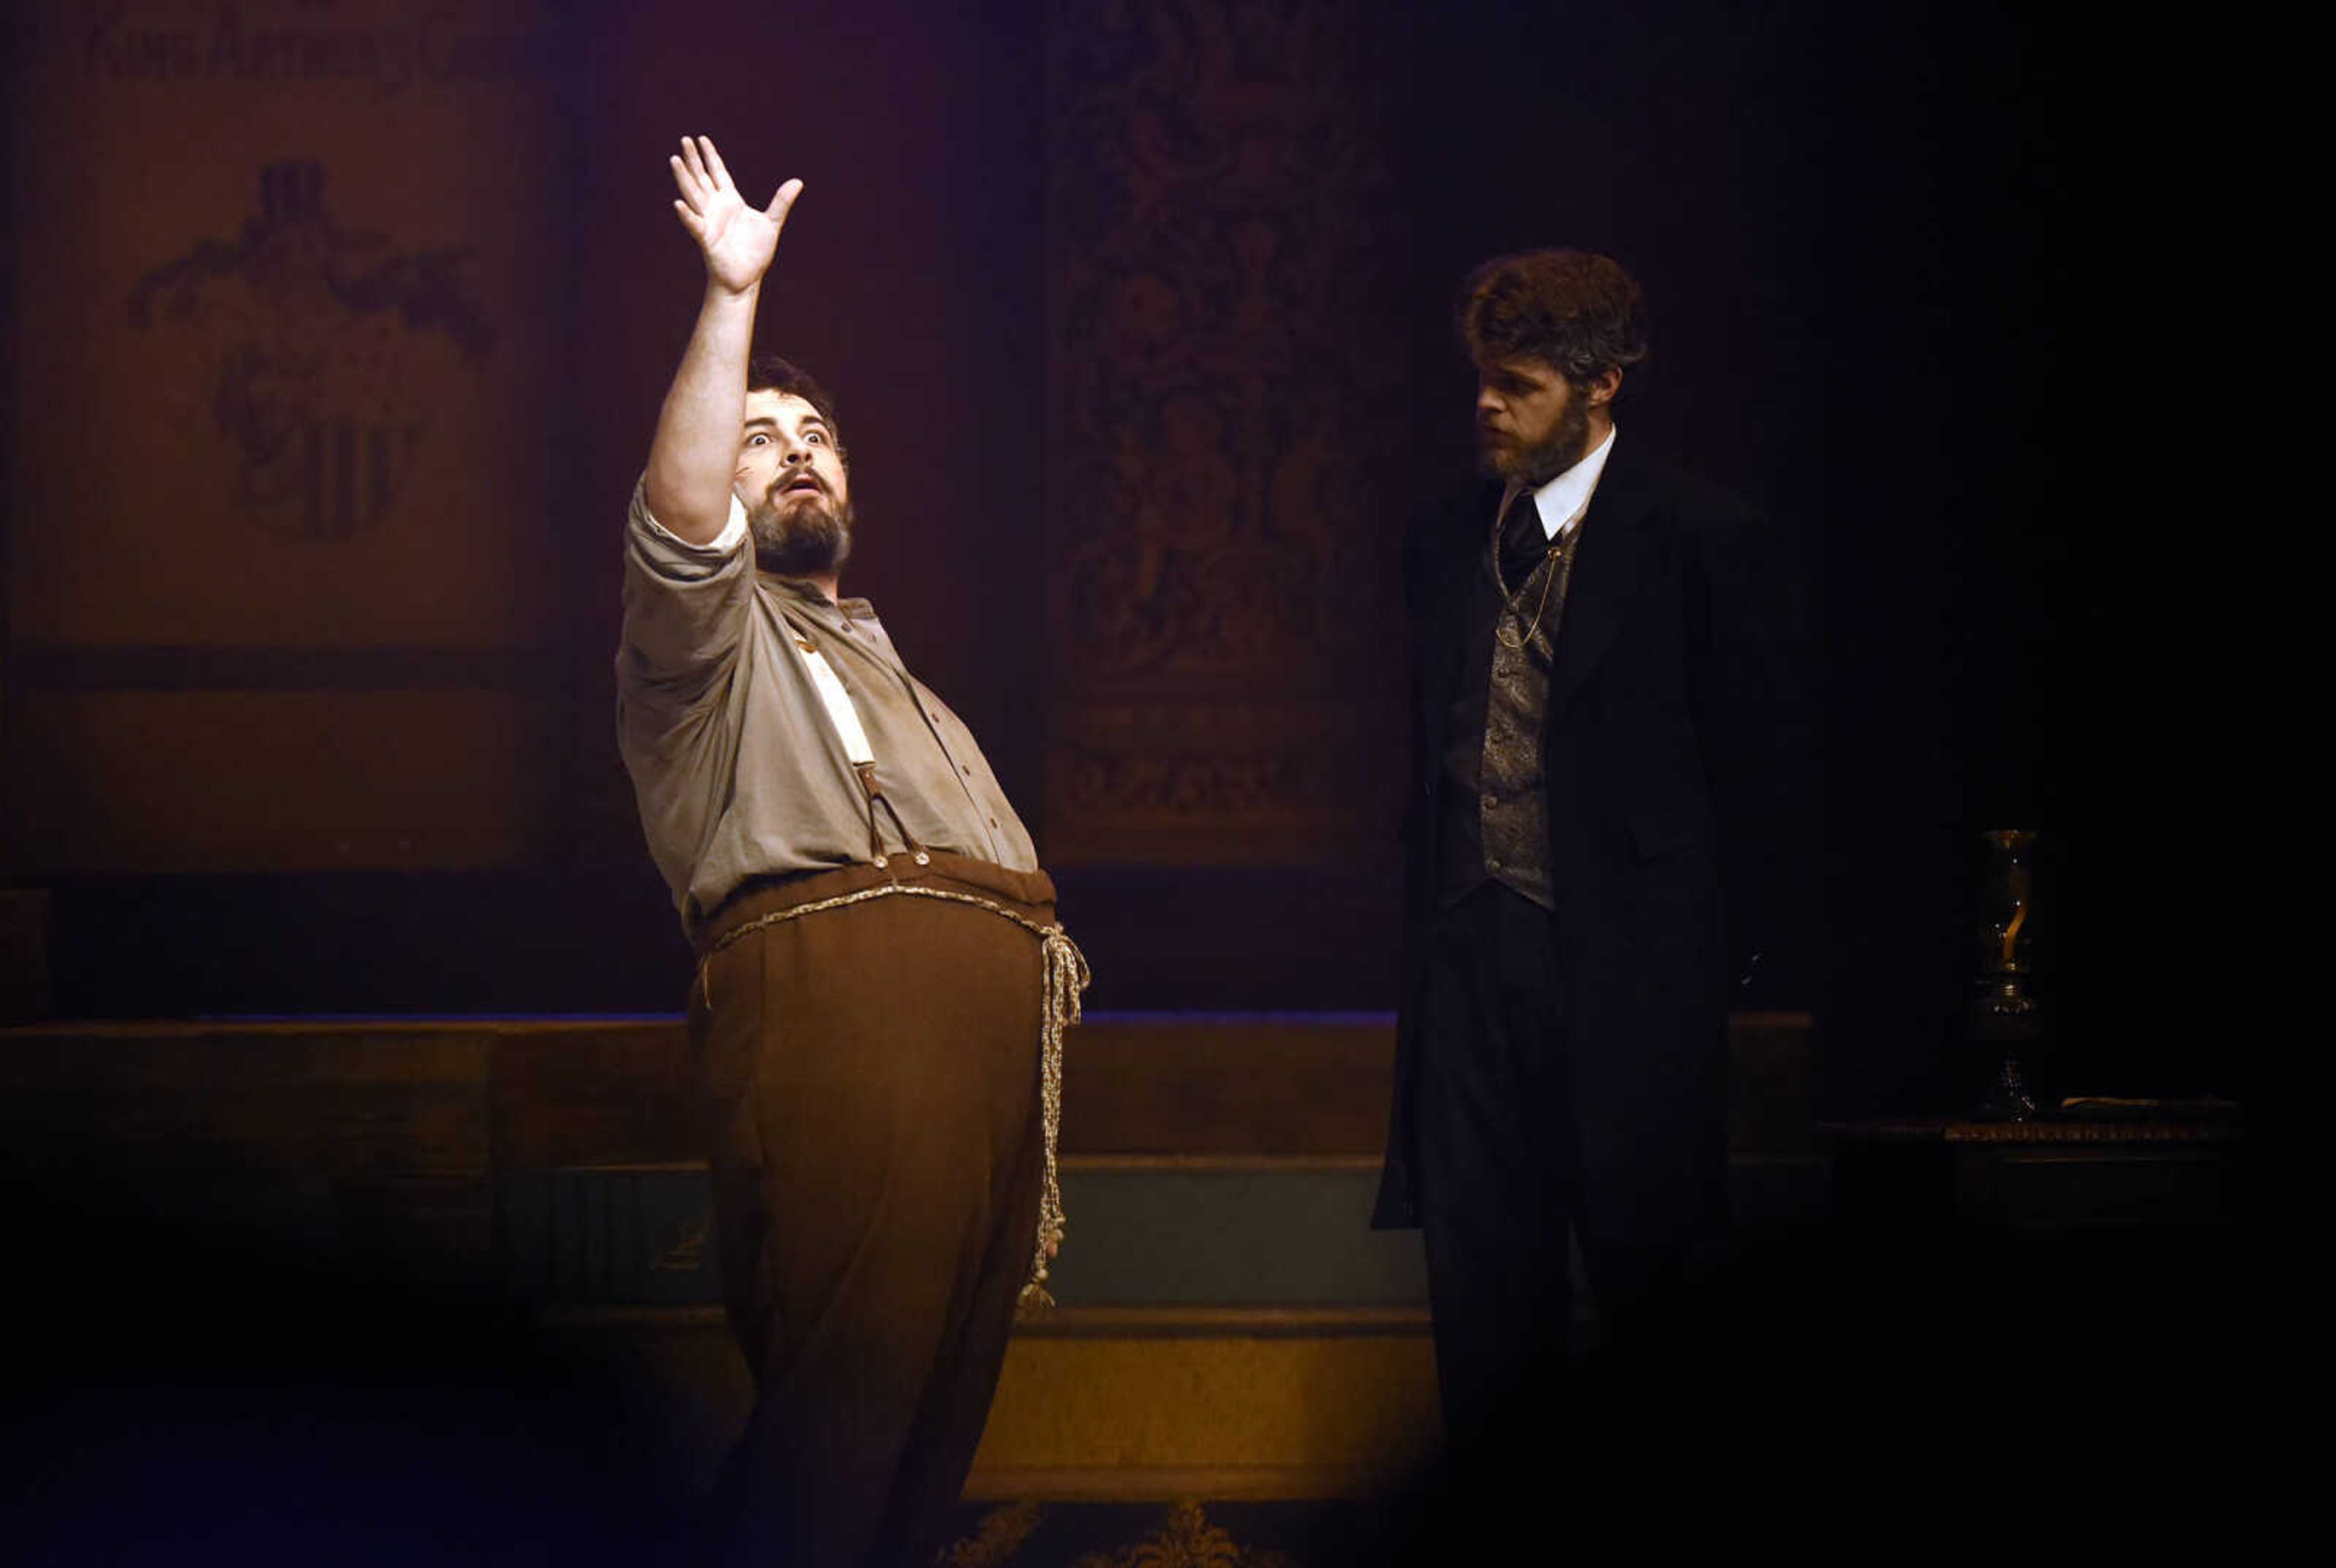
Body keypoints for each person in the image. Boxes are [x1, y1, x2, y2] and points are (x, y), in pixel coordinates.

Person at [614, 135, 1085, 1567]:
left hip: (979, 1071)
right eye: (760, 438)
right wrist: (730, 300)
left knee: (921, 1444)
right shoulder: (702, 653)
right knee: (845, 1423)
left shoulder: (898, 669)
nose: (793, 450)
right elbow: (682, 526)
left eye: (813, 433)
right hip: (845, 1033)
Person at [1371, 249, 1811, 1451]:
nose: (1487, 405)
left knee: (1644, 1291)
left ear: (1602, 385)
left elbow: (1762, 768)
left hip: (1629, 973)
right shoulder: (1442, 538)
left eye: (1518, 385)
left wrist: (1712, 964)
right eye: (1481, 380)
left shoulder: (1701, 538)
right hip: (1469, 963)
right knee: (1481, 1300)